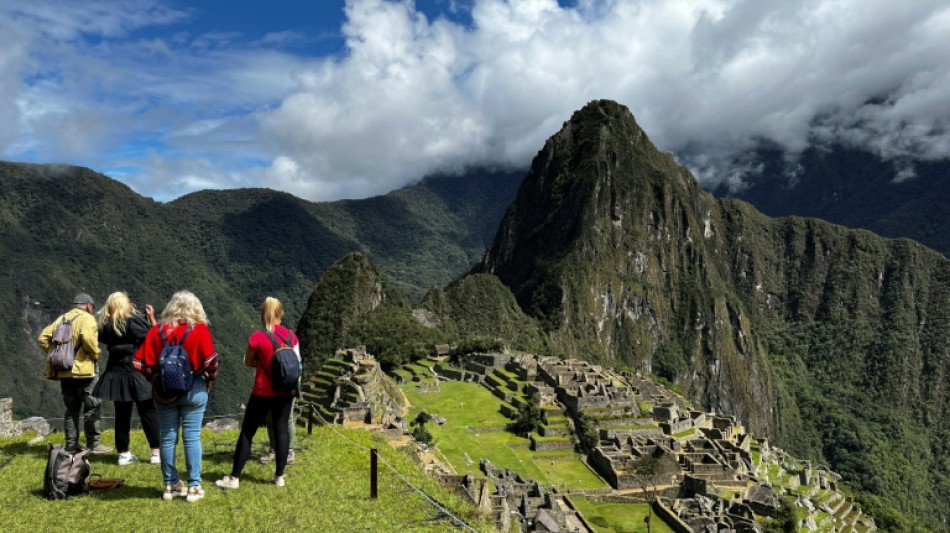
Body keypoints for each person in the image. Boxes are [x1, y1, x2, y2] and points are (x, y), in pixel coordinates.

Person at [134, 290, 218, 502]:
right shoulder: (199, 330)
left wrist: (155, 380)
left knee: (167, 437)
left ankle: (170, 486)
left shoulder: (157, 331)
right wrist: (208, 381)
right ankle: (194, 486)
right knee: (192, 437)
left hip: (164, 392)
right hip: (194, 389)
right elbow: (211, 363)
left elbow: (140, 363)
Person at [217, 297, 299, 490]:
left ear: (263, 315)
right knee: (281, 430)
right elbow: (295, 361)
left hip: (263, 391)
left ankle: (234, 478)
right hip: (286, 390)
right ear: (280, 314)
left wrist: (262, 362)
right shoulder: (291, 336)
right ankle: (279, 477)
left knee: (248, 431)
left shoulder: (257, 337)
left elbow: (248, 361)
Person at [37, 293, 112, 454]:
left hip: (65, 370)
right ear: (89, 306)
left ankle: (71, 445)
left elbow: (42, 338)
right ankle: (93, 444)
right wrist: (96, 353)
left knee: (71, 410)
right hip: (85, 371)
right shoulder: (87, 318)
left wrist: (58, 354)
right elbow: (87, 337)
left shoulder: (62, 318)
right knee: (92, 407)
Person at [92, 292, 160, 465]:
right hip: (136, 372)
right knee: (148, 412)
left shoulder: (105, 326)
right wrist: (151, 318)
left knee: (121, 414)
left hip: (115, 373)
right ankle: (156, 452)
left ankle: (123, 453)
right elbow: (153, 337)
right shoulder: (133, 323)